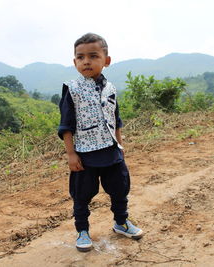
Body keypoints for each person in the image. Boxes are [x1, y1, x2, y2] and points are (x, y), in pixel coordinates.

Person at [58, 33, 143, 252]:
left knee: (120, 189)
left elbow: (116, 120)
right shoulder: (72, 89)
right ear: (74, 62)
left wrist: (120, 147)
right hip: (85, 154)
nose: (86, 61)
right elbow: (66, 125)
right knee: (81, 195)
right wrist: (71, 154)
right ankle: (83, 231)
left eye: (93, 56)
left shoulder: (111, 88)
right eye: (80, 57)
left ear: (106, 60)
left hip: (112, 151)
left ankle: (121, 223)